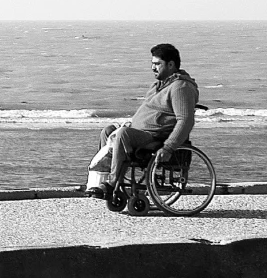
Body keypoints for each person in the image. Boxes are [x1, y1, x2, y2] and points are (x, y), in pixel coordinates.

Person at [84, 43, 199, 208]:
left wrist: (168, 148)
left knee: (122, 134)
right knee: (108, 130)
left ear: (171, 65)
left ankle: (111, 184)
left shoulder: (180, 87)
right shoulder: (158, 86)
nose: (153, 67)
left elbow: (186, 121)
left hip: (156, 139)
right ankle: (103, 182)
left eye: (157, 64)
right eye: (152, 63)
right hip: (141, 133)